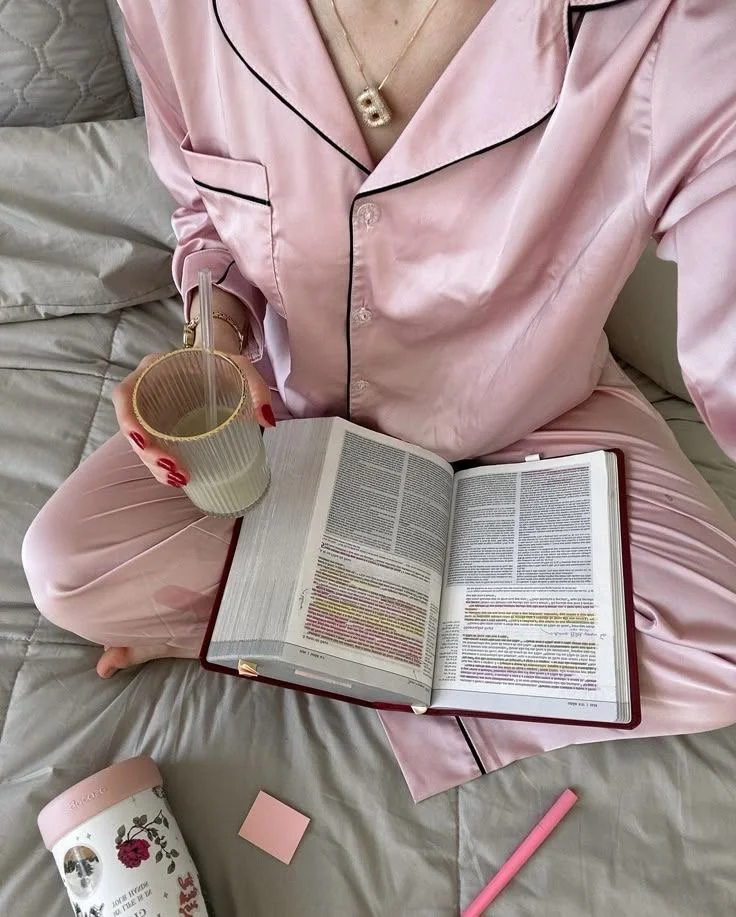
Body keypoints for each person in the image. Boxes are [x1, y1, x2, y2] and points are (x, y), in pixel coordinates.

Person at [22, 0, 736, 798]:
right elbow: (204, 216)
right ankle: (360, 635)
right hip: (291, 416)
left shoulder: (679, 28)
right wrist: (214, 341)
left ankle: (290, 635)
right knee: (66, 569)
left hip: (533, 417)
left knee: (721, 651)